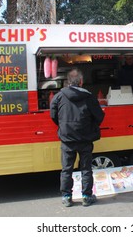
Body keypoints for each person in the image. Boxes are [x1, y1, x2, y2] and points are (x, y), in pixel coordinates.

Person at [50, 68, 105, 207]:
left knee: (66, 169)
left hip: (67, 139)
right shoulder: (89, 96)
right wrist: (90, 126)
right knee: (86, 168)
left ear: (68, 82)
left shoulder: (59, 96)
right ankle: (86, 196)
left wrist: (63, 125)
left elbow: (53, 115)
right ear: (81, 82)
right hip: (85, 138)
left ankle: (67, 197)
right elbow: (99, 116)